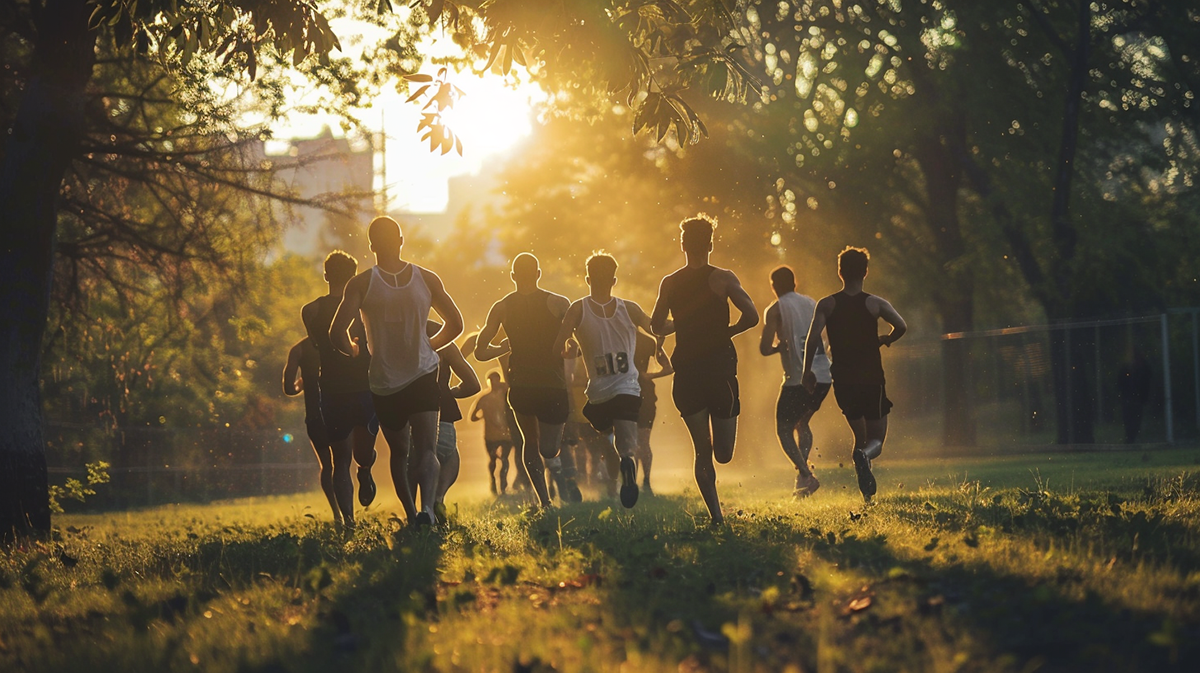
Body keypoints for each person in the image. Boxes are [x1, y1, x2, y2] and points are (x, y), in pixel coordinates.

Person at [329, 216, 464, 526]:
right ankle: (427, 509)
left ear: (372, 245)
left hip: (385, 381)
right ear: (402, 241)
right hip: (421, 371)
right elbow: (456, 324)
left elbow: (337, 331)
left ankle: (412, 512)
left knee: (400, 452)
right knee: (427, 448)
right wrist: (432, 344)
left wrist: (351, 350)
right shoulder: (427, 278)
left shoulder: (360, 283)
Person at [650, 215, 759, 525]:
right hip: (719, 371)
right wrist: (726, 331)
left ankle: (716, 516)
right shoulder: (723, 278)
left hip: (688, 375)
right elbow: (751, 316)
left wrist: (678, 325)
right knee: (721, 453)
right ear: (711, 244)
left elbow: (656, 325)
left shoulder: (669, 283)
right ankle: (717, 518)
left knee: (706, 452)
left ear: (682, 245)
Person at [475, 253, 581, 508]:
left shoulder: (501, 307)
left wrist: (505, 348)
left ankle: (547, 492)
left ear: (512, 276)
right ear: (538, 274)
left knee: (534, 445)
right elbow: (576, 341)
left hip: (523, 386)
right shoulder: (558, 303)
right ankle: (545, 501)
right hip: (549, 386)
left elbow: (480, 352)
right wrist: (570, 356)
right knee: (545, 448)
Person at [554, 252, 659, 508]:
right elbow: (658, 327)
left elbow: (559, 345)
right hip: (627, 387)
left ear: (587, 278)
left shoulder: (577, 309)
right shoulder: (630, 308)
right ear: (614, 279)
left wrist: (571, 348)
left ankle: (621, 466)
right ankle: (627, 461)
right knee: (626, 442)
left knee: (603, 440)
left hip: (598, 392)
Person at [803, 246, 906, 504]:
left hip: (843, 381)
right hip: (872, 379)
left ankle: (867, 498)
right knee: (875, 441)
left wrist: (807, 370)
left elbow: (812, 338)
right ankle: (867, 458)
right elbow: (901, 326)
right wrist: (887, 339)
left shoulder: (827, 304)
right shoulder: (875, 303)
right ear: (866, 272)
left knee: (858, 438)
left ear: (840, 272)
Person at [301, 251, 379, 527]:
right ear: (355, 276)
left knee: (350, 457)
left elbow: (317, 343)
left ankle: (365, 473)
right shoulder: (367, 307)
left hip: (338, 390)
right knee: (347, 457)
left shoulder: (311, 312)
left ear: (325, 275)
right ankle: (349, 521)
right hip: (359, 390)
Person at [760, 265, 832, 498]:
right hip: (823, 375)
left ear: (773, 287)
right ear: (795, 282)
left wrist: (778, 348)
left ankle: (805, 475)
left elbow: (764, 348)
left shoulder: (775, 309)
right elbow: (826, 336)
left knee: (783, 429)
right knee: (802, 423)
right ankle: (802, 480)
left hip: (797, 379)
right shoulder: (812, 303)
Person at [409, 321, 480, 522]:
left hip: (405, 407)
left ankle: (414, 511)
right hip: (441, 409)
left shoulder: (394, 330)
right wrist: (447, 393)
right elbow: (473, 385)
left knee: (410, 458)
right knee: (447, 454)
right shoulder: (441, 335)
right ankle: (437, 499)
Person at [282, 338, 340, 524]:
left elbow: (289, 389)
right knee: (343, 463)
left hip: (316, 417)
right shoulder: (339, 340)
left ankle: (337, 513)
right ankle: (349, 512)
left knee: (327, 466)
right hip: (341, 414)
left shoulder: (299, 350)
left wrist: (303, 382)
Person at [633, 330, 672, 496]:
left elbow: (669, 368)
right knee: (639, 441)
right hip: (638, 396)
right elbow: (668, 368)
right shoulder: (647, 341)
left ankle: (642, 481)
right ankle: (638, 481)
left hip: (641, 396)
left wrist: (649, 376)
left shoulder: (648, 342)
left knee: (638, 440)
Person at [470, 371, 515, 495]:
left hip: (505, 434)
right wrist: (483, 417)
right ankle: (494, 482)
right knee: (494, 460)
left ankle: (503, 485)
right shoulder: (484, 398)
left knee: (504, 459)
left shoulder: (504, 395)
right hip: (491, 435)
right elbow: (473, 416)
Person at [1117, 347, 1153, 444]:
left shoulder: (1142, 368)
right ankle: (1130, 438)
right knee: (1130, 419)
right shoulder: (1126, 368)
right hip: (1130, 398)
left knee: (1134, 419)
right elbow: (1121, 382)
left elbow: (1146, 381)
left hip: (1135, 399)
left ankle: (1132, 438)